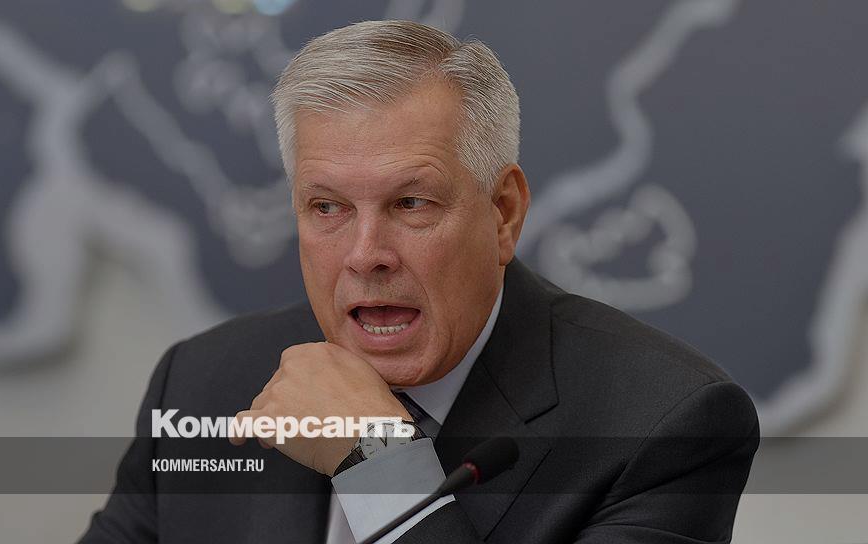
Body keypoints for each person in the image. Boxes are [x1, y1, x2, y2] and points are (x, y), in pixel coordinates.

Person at [80, 20, 758, 544]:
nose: (365, 255)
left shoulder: (663, 424)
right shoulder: (204, 382)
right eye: (327, 208)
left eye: (411, 204)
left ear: (503, 213)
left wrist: (378, 463)